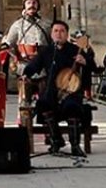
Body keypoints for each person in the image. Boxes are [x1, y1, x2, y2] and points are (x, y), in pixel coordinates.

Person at [23, 20, 93, 156]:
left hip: (71, 91)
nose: (59, 34)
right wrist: (26, 74)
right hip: (52, 90)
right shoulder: (47, 51)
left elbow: (93, 66)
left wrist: (84, 61)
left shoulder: (74, 50)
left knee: (72, 106)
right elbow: (33, 66)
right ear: (51, 34)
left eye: (62, 31)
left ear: (66, 34)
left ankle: (75, 145)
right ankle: (56, 140)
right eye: (56, 31)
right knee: (43, 103)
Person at [0, 0, 52, 126]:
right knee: (25, 102)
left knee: (46, 101)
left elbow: (53, 45)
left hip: (43, 68)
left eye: (34, 2)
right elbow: (8, 43)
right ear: (24, 5)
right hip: (25, 67)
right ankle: (25, 131)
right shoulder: (17, 25)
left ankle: (49, 132)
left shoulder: (46, 25)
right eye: (29, 2)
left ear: (38, 5)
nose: (32, 5)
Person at [73, 30, 101, 100]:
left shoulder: (89, 49)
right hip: (76, 69)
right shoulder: (74, 48)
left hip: (86, 69)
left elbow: (91, 59)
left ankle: (87, 94)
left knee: (87, 81)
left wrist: (86, 61)